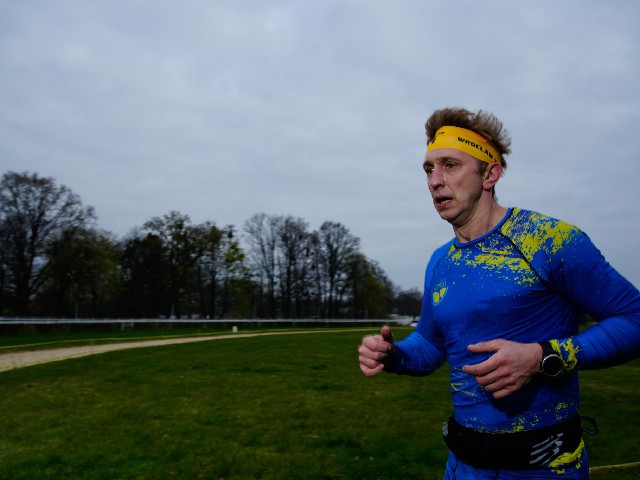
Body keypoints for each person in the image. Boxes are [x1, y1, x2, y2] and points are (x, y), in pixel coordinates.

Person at [358, 107, 640, 479]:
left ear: (490, 174)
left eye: (450, 165)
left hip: (545, 468)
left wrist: (543, 357)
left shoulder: (549, 240)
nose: (435, 181)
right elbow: (431, 343)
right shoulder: (440, 261)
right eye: (429, 169)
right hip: (463, 465)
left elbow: (634, 319)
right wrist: (394, 355)